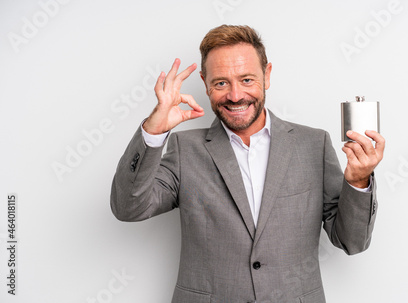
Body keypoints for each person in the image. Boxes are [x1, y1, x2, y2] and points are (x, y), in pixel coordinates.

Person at [111, 24, 385, 303]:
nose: (235, 95)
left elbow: (352, 241)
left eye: (246, 80)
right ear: (205, 83)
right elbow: (129, 208)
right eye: (221, 83)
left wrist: (359, 182)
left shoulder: (313, 144)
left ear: (266, 76)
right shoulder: (185, 150)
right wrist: (154, 131)